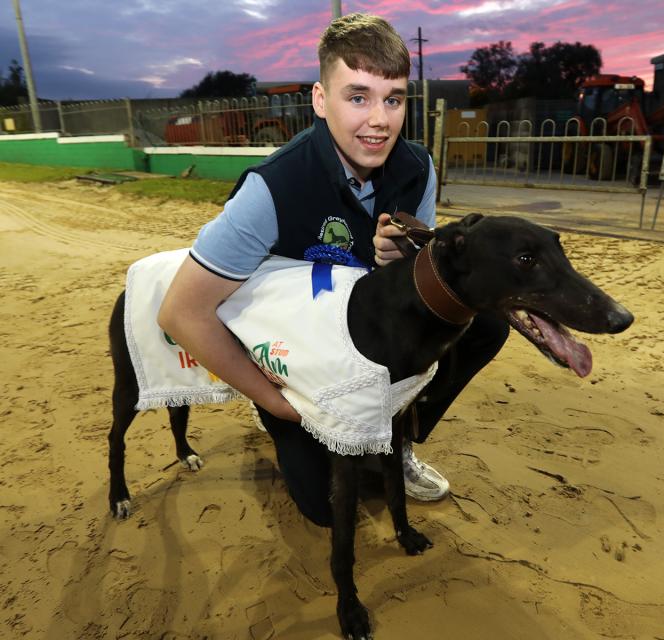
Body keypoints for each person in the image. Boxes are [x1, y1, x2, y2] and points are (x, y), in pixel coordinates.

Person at [158, 13, 508, 527]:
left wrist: (401, 262)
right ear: (321, 100)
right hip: (297, 356)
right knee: (326, 509)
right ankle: (279, 415)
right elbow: (181, 313)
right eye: (358, 96)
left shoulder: (418, 167)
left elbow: (421, 289)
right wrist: (274, 401)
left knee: (485, 320)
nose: (380, 120)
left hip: (363, 334)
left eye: (393, 99)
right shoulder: (273, 187)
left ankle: (398, 439)